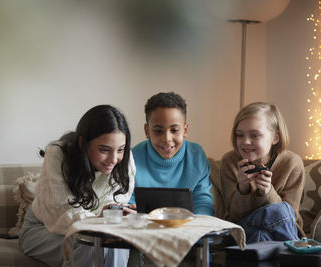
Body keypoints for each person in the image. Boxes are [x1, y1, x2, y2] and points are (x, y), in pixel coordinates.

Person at [18, 105, 136, 267]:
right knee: (88, 246)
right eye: (104, 150)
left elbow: (112, 212)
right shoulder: (58, 154)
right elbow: (64, 210)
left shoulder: (126, 161)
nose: (113, 159)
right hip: (42, 227)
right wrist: (99, 221)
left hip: (94, 230)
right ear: (83, 143)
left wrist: (122, 215)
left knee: (114, 243)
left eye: (120, 150)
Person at [220, 102, 305, 243]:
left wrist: (267, 192)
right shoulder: (230, 162)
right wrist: (243, 189)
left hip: (276, 233)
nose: (245, 141)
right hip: (243, 230)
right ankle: (294, 254)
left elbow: (289, 218)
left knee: (275, 218)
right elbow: (233, 218)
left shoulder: (292, 163)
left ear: (275, 138)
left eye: (254, 135)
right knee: (271, 220)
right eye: (239, 135)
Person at [130, 92, 214, 216]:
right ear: (147, 131)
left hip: (188, 228)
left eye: (174, 130)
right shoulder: (133, 158)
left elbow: (202, 201)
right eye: (158, 131)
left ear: (185, 130)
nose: (167, 138)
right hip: (145, 228)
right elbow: (128, 201)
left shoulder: (196, 156)